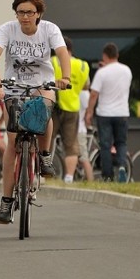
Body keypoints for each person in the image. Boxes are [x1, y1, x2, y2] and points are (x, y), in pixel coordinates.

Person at [0, 0, 71, 225]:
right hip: (14, 85)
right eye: (21, 12)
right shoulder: (7, 29)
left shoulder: (49, 29)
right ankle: (5, 202)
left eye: (30, 13)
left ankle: (44, 156)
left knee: (45, 106)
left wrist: (65, 76)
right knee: (12, 142)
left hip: (42, 84)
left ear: (38, 14)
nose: (25, 17)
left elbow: (62, 52)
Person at [85, 42, 132, 182]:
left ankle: (108, 176)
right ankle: (122, 167)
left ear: (104, 55)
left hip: (105, 114)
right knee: (121, 143)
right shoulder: (127, 70)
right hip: (122, 113)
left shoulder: (102, 73)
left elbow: (94, 94)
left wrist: (89, 113)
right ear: (117, 55)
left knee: (105, 145)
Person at [50, 36, 90, 183]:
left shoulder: (54, 61)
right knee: (71, 144)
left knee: (47, 139)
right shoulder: (83, 65)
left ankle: (43, 174)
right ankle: (69, 177)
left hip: (54, 107)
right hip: (73, 107)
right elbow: (86, 86)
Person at [78, 80, 94, 181]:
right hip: (81, 128)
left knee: (83, 157)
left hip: (79, 129)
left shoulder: (82, 94)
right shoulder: (87, 93)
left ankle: (90, 180)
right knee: (81, 156)